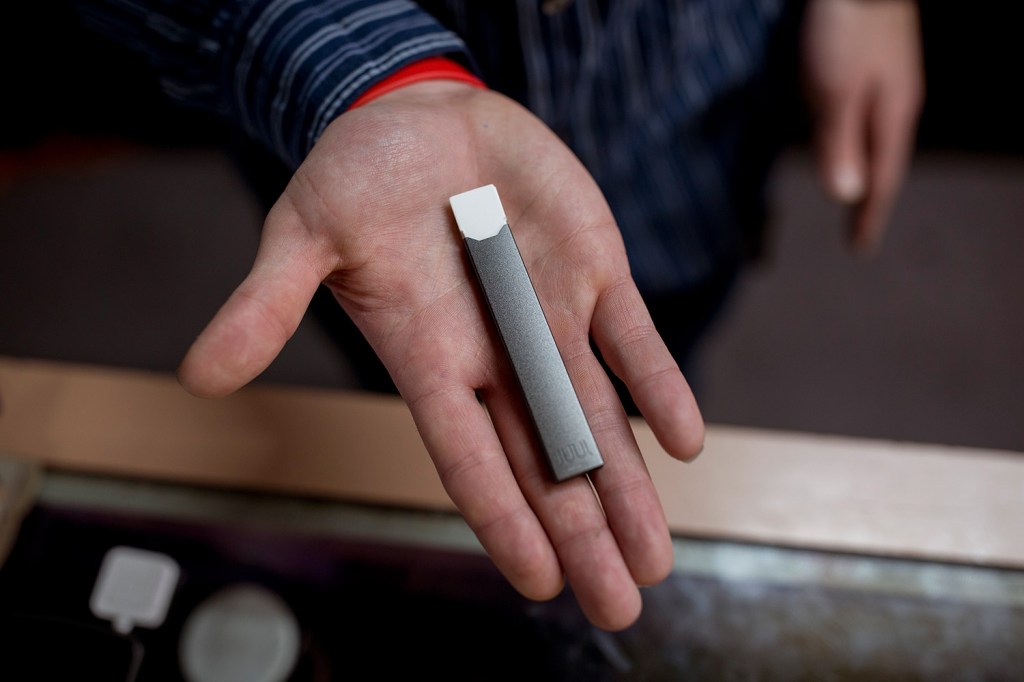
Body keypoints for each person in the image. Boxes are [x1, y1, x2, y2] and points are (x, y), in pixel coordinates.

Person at [72, 0, 922, 631]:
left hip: (690, 113)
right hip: (365, 141)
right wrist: (362, 67)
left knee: (664, 326)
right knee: (416, 365)